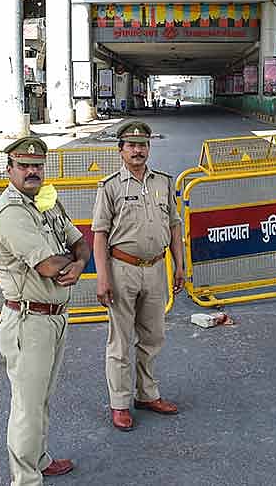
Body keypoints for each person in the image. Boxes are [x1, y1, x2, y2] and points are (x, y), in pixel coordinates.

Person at [0, 136, 91, 485]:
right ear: (9, 170)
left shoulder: (46, 200)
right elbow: (47, 265)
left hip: (53, 317)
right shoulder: (10, 213)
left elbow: (80, 242)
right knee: (27, 406)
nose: (32, 171)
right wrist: (72, 261)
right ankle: (25, 479)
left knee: (42, 398)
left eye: (37, 166)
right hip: (28, 320)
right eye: (24, 166)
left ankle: (39, 459)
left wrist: (78, 263)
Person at [92, 119, 186, 431]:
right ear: (120, 150)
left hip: (156, 269)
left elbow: (174, 225)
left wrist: (180, 265)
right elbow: (99, 234)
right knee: (120, 341)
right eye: (131, 145)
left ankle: (147, 394)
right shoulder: (110, 187)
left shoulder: (163, 182)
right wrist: (103, 278)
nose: (138, 150)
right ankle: (119, 403)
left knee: (153, 337)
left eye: (143, 145)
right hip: (123, 270)